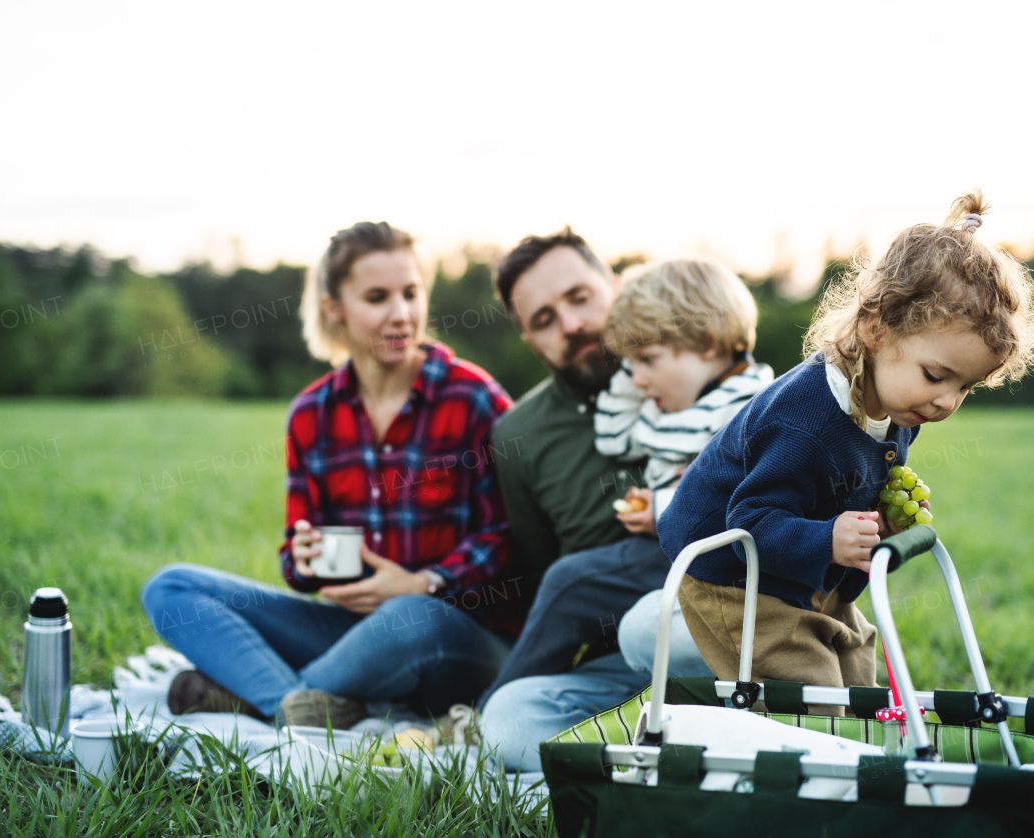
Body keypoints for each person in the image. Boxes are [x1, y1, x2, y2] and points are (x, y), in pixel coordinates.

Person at [659, 190, 1034, 712]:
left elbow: (849, 509)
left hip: (800, 562)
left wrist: (877, 533)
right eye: (936, 376)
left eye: (966, 387)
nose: (946, 402)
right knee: (808, 688)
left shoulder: (899, 407)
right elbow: (750, 522)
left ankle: (860, 752)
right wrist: (829, 537)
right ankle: (802, 769)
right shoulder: (804, 422)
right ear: (875, 329)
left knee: (857, 667)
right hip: (731, 573)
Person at [141, 221, 522, 729]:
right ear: (334, 308)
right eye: (377, 297)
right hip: (351, 633)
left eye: (411, 293)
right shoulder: (311, 415)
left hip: (454, 635)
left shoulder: (475, 398)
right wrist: (302, 558)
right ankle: (294, 706)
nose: (401, 314)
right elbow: (297, 565)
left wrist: (425, 582)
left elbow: (510, 538)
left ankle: (263, 696)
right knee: (171, 588)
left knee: (407, 614)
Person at [475, 229, 685, 771]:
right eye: (544, 319)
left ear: (615, 286)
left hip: (718, 629)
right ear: (528, 339)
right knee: (509, 719)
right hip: (619, 667)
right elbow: (544, 572)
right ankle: (636, 761)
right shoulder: (517, 436)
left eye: (580, 298)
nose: (571, 324)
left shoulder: (693, 369)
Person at [592, 257, 774, 675]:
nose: (636, 378)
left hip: (728, 571)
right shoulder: (669, 407)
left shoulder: (746, 404)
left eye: (648, 359)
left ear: (708, 343)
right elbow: (613, 436)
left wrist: (663, 507)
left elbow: (740, 494)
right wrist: (631, 344)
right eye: (629, 362)